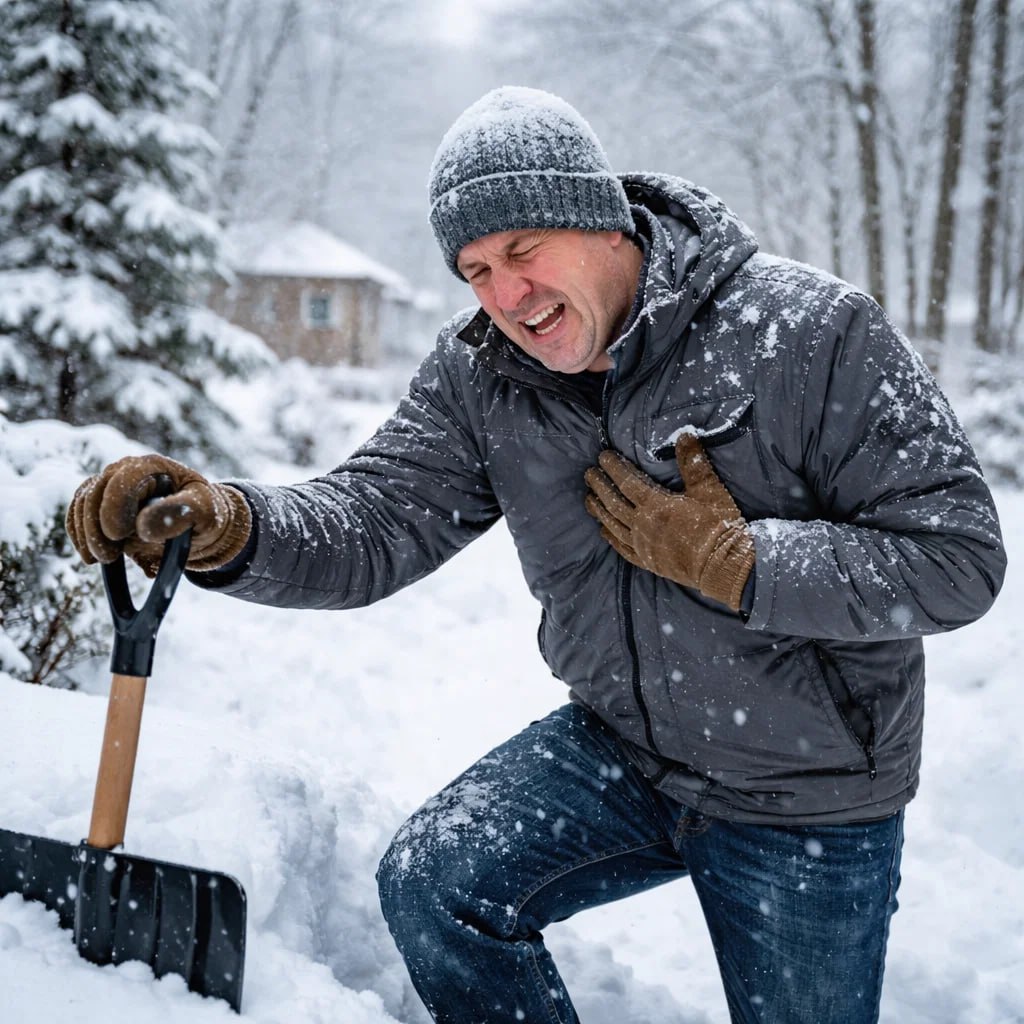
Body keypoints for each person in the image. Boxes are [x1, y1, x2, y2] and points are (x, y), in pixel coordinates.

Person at [66, 86, 1006, 1024]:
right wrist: (228, 523)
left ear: (605, 225)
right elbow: (375, 518)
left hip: (809, 788)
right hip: (626, 750)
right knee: (437, 883)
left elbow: (957, 557)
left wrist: (741, 562)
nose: (506, 295)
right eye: (474, 270)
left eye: (522, 252)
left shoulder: (810, 333)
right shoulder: (483, 375)